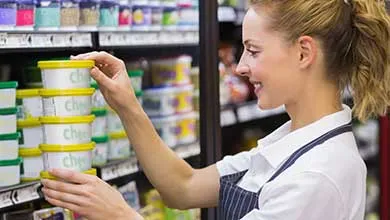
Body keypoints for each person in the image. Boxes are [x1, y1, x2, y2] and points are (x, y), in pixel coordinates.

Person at [41, 0, 390, 219]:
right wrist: (127, 106)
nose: (239, 67)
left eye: (253, 50)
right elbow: (184, 185)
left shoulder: (317, 177)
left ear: (303, 53)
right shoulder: (290, 143)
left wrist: (118, 214)